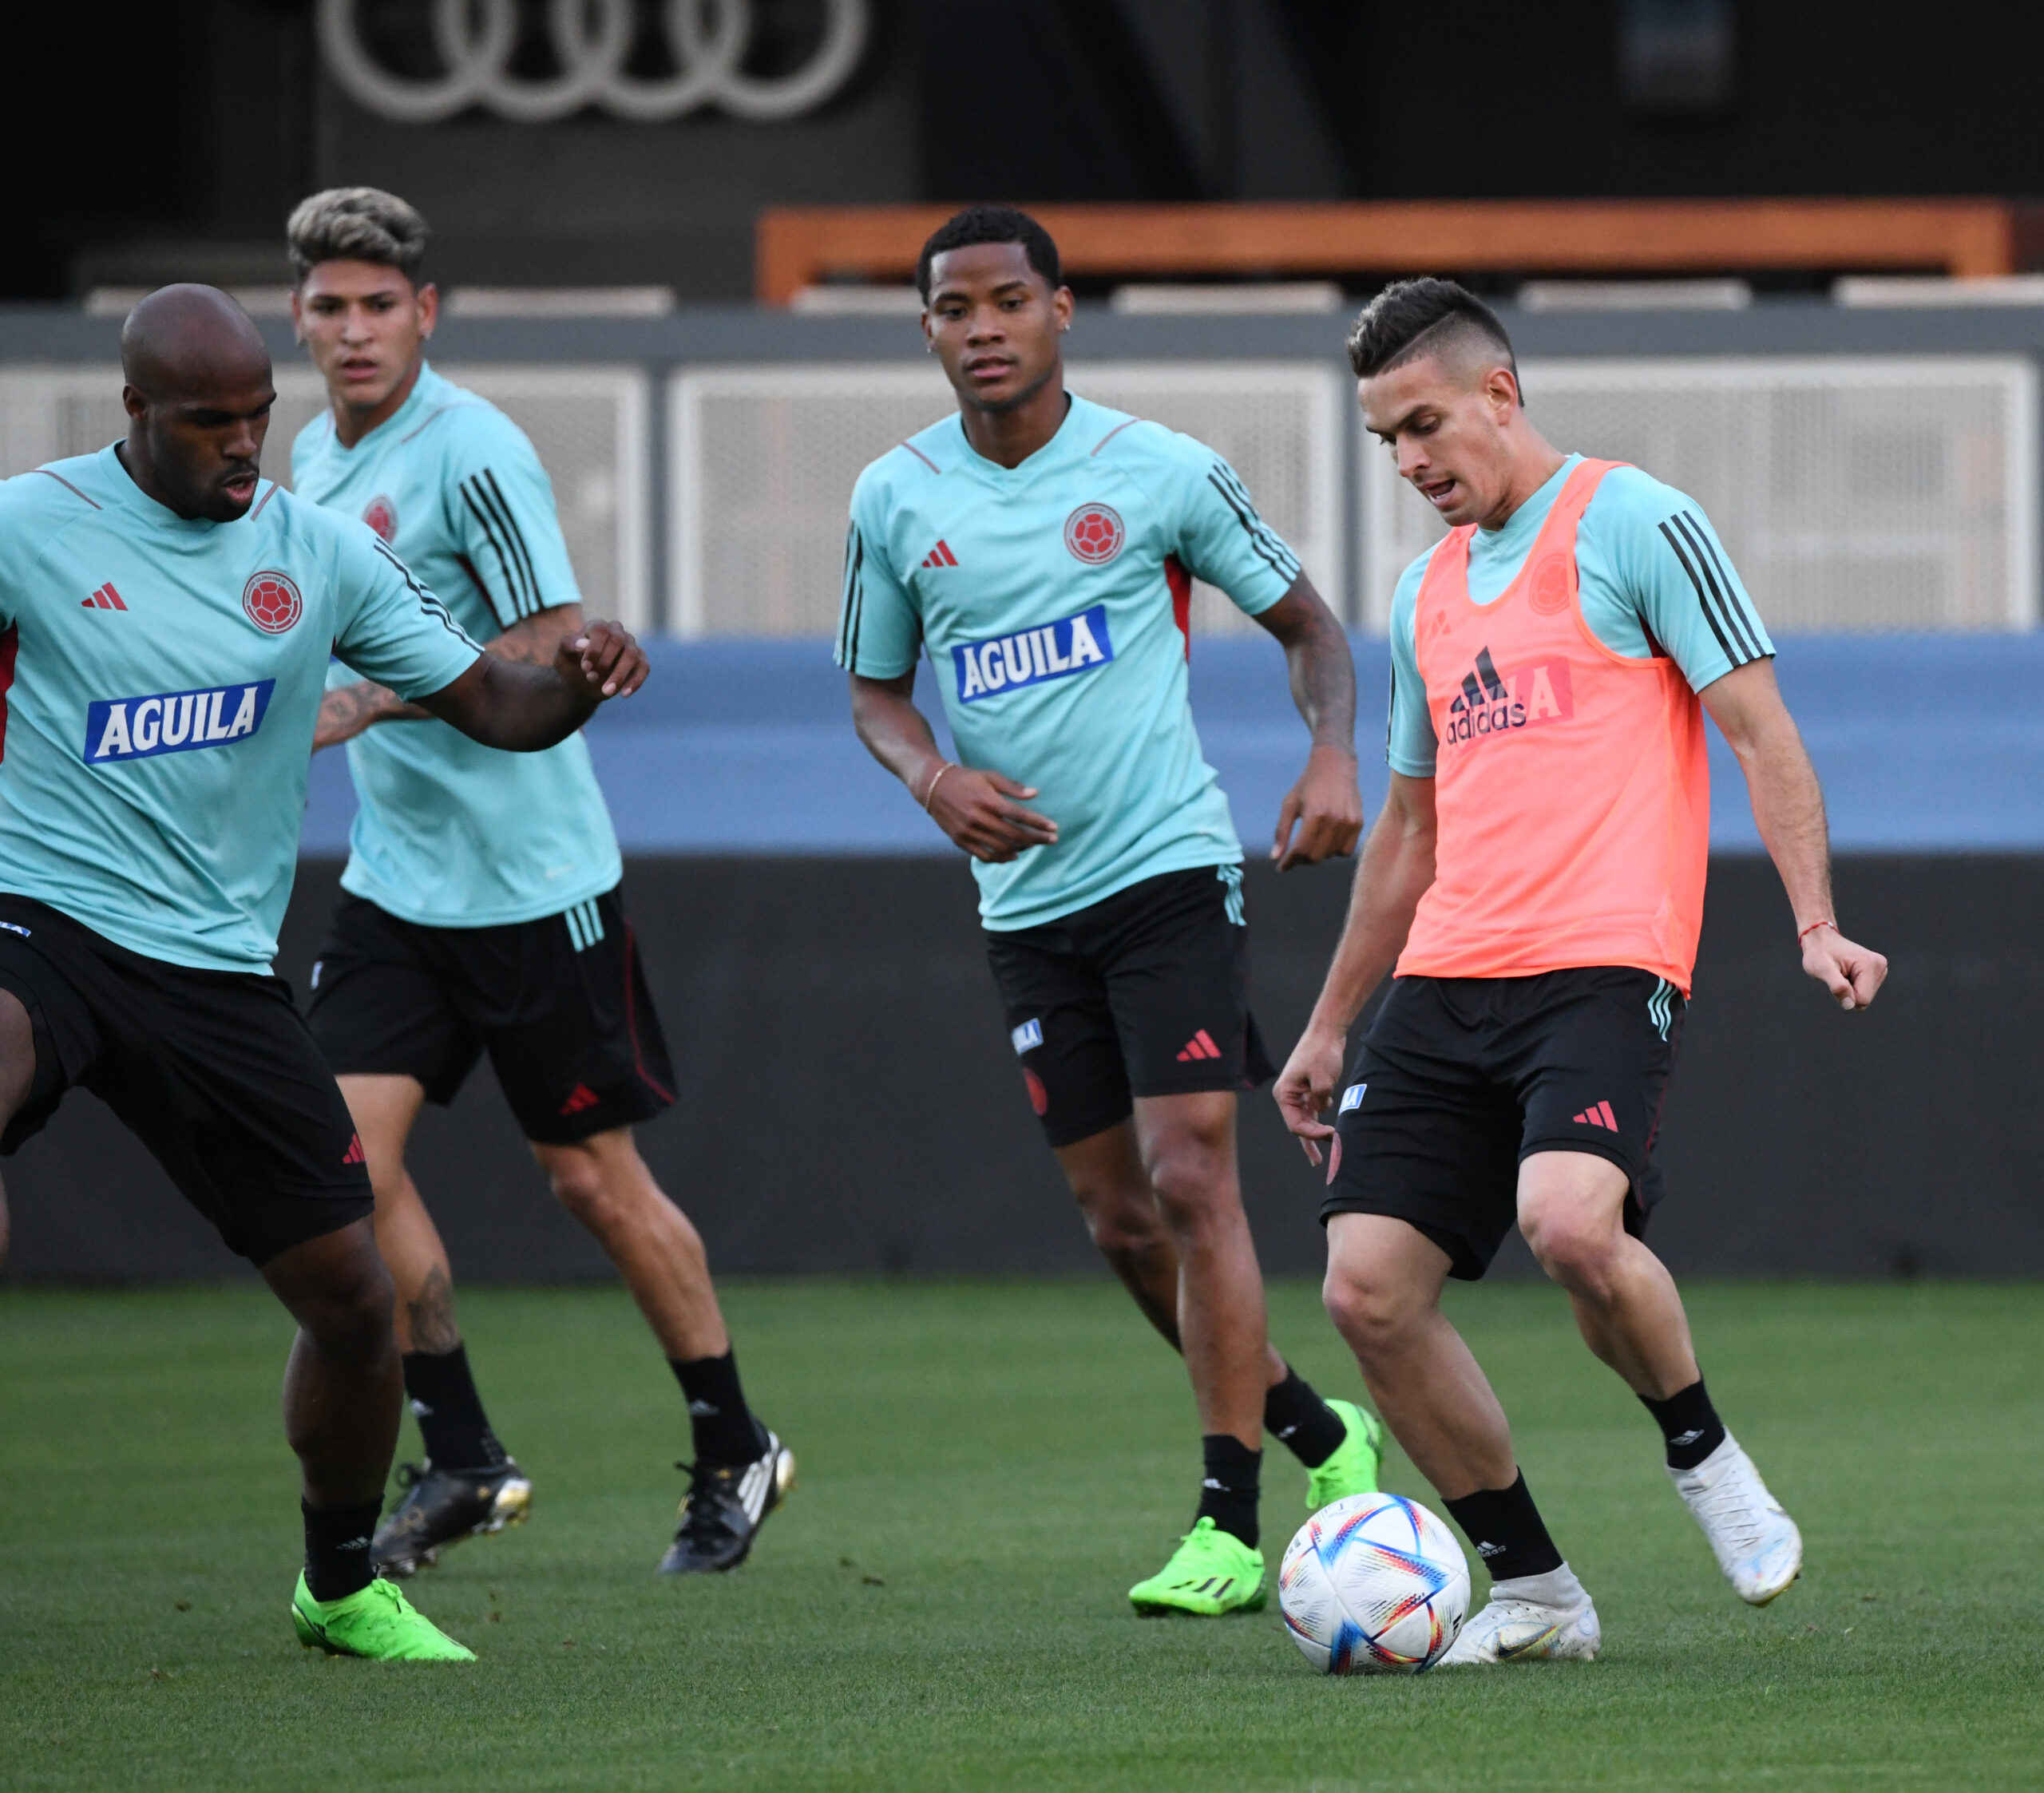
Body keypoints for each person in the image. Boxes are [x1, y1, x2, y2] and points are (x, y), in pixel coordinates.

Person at [0, 284, 651, 1660]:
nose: (244, 443)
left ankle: (343, 1584)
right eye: (209, 422)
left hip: (215, 967)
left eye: (257, 416)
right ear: (135, 410)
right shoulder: (30, 526)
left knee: (356, 1302)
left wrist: (580, 679)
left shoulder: (319, 552)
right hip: (44, 918)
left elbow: (498, 701)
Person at [1275, 278, 1889, 1664]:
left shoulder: (1637, 521)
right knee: (1364, 1289)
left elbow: (1760, 730)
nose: (1408, 460)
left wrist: (1814, 920)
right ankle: (1540, 1591)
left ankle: (1705, 1455)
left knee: (1566, 1220)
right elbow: (1410, 830)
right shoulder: (1424, 595)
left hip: (1602, 964)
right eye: (1385, 439)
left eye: (1423, 424)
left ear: (1499, 393)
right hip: (1447, 976)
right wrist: (1328, 1024)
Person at [840, 205, 1384, 1618]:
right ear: (927, 330)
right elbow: (876, 692)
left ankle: (1227, 1521)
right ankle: (1316, 1428)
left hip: (1167, 873)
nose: (983, 329)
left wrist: (1333, 751)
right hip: (1026, 907)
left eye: (1008, 301)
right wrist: (932, 778)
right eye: (955, 309)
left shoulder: (1161, 470)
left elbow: (1312, 627)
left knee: (1192, 1176)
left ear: (1061, 309)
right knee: (1121, 1221)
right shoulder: (894, 498)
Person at [285, 187, 791, 1578]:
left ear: (425, 313)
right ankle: (460, 1452)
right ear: (299, 321)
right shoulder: (310, 461)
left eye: (379, 305)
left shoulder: (474, 450)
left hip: (533, 883)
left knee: (590, 1181)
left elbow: (555, 638)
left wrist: (367, 698)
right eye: (329, 307)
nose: (354, 330)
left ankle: (734, 1441)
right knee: (339, 1169)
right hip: (397, 883)